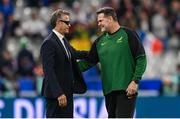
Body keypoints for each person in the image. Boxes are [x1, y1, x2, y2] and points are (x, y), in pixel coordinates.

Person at [79, 7, 147, 118]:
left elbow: (141, 58)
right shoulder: (99, 42)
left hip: (126, 89)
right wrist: (68, 67)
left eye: (101, 21)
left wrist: (135, 81)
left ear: (110, 19)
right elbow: (88, 62)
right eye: (98, 21)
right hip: (108, 91)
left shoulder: (128, 34)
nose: (99, 24)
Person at [40, 9, 88, 118]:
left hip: (67, 92)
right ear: (58, 23)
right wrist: (58, 93)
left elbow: (75, 53)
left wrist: (95, 53)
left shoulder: (63, 40)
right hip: (56, 95)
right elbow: (48, 71)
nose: (69, 25)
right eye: (67, 22)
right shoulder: (49, 43)